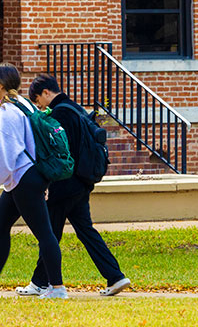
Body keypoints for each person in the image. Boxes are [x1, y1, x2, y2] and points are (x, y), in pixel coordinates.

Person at [19, 74, 131, 297]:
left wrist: (49, 183)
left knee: (49, 234)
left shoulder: (60, 113)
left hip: (66, 184)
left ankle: (39, 283)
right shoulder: (76, 109)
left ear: (46, 93)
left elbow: (61, 153)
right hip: (83, 181)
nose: (38, 105)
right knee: (82, 231)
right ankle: (116, 276)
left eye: (37, 100)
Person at [0, 63, 67, 299]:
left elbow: (5, 154)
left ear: (1, 84)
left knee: (44, 234)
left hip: (24, 179)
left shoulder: (9, 111)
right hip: (26, 178)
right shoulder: (25, 104)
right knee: (1, 226)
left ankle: (58, 288)